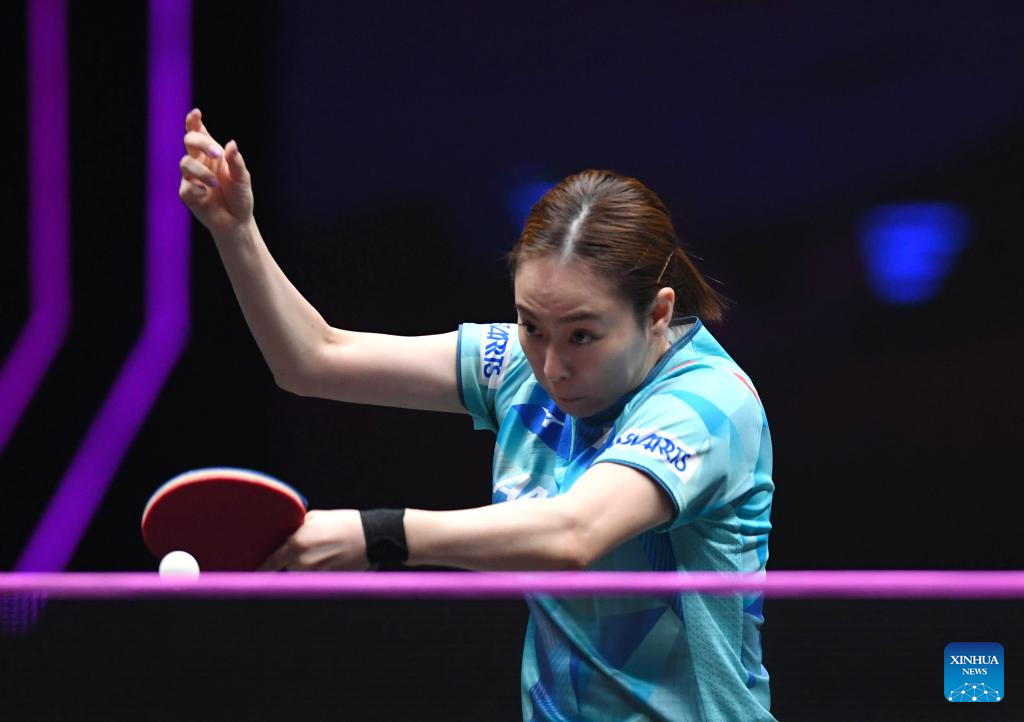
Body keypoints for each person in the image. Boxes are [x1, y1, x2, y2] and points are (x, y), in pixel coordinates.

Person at [178, 107, 776, 722]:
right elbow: (314, 359)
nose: (552, 366)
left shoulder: (708, 403)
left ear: (657, 313)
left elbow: (574, 533)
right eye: (531, 325)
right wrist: (236, 231)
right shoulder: (516, 365)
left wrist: (379, 535)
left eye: (582, 336)